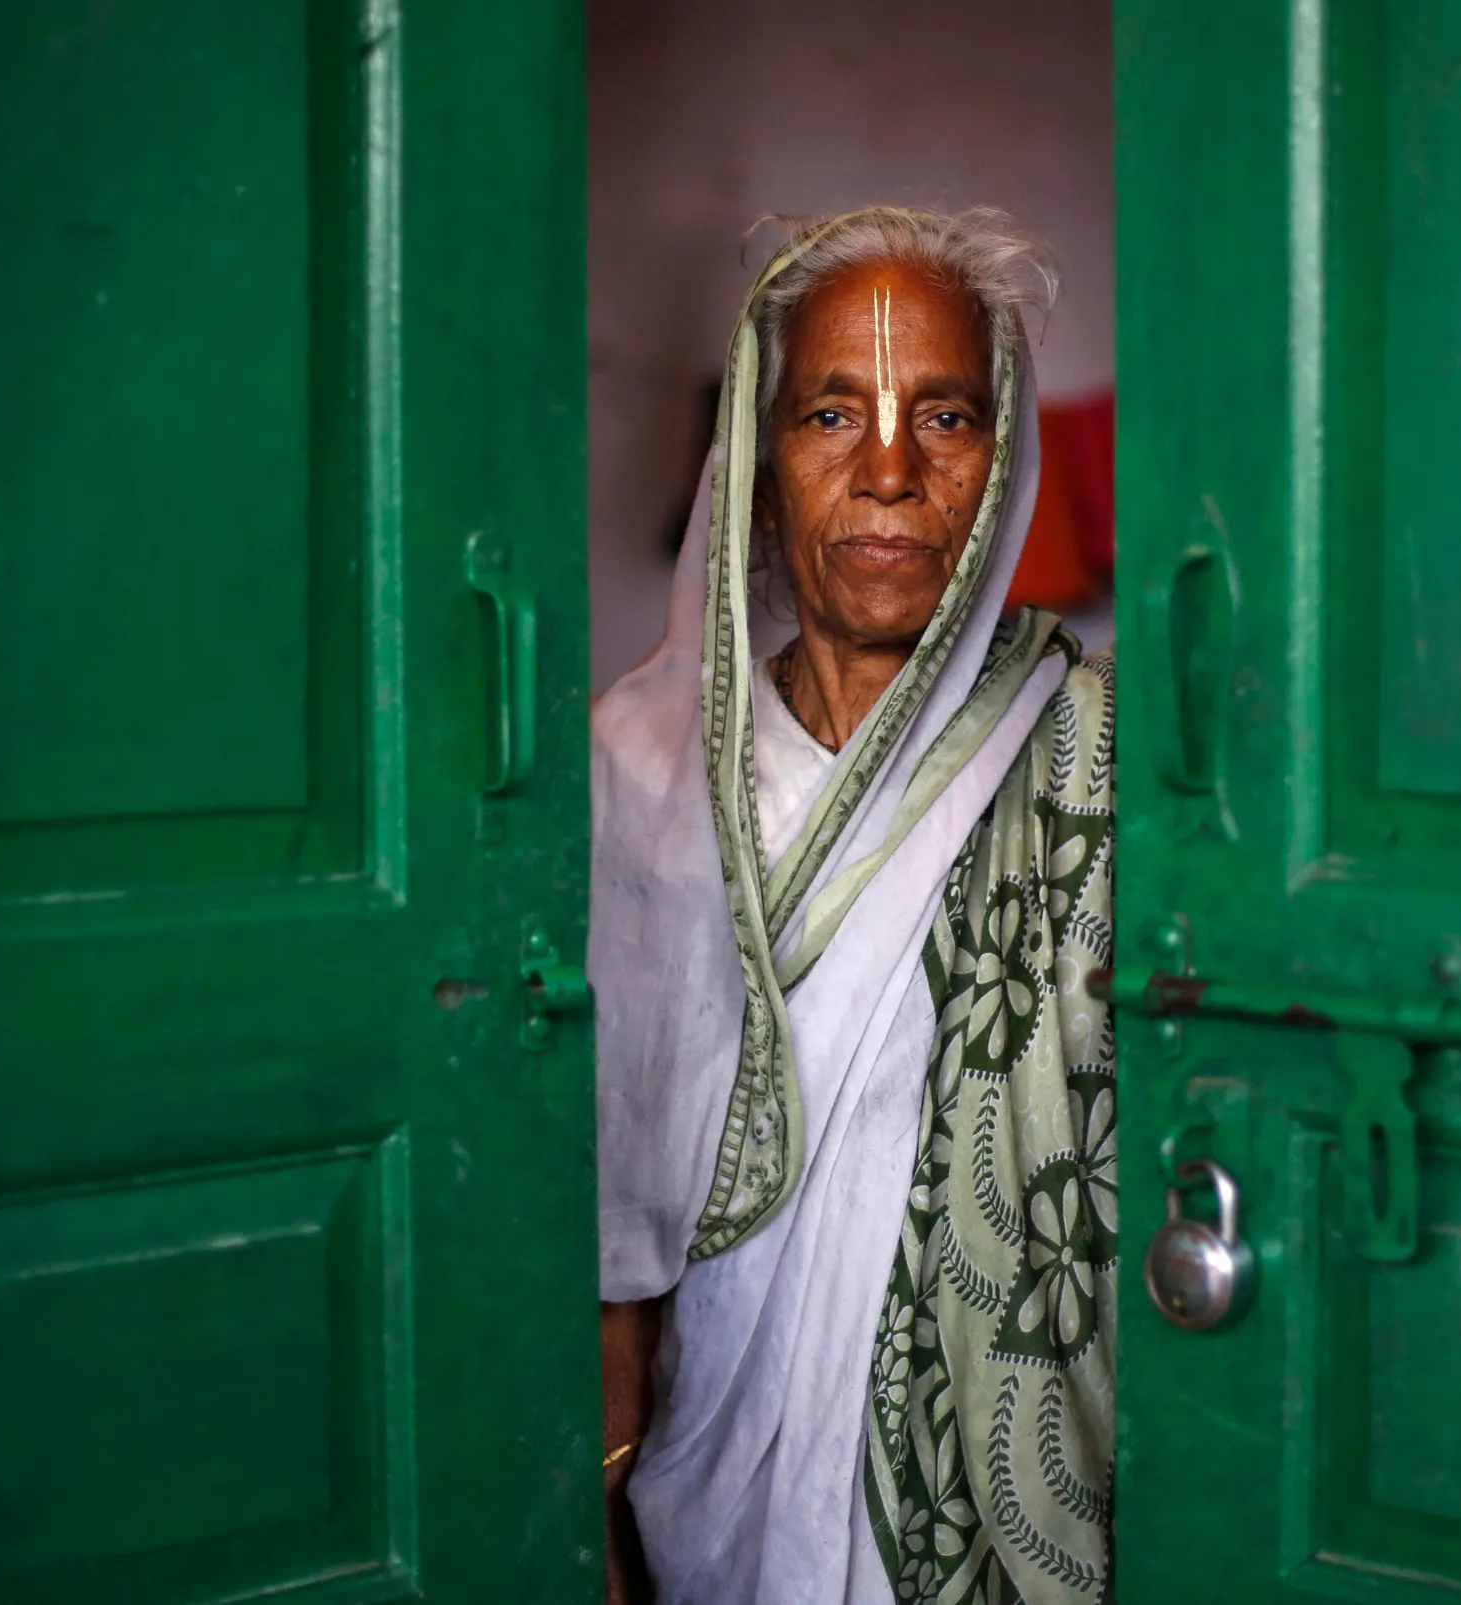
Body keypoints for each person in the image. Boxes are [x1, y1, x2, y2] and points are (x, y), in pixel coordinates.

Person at [593, 207, 1115, 1605]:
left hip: (979, 1488)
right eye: (832, 413)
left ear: (1000, 469)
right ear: (760, 476)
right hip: (709, 1463)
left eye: (943, 417)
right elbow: (614, 1204)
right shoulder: (640, 778)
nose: (889, 470)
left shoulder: (1103, 766)